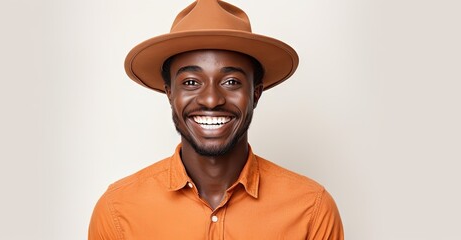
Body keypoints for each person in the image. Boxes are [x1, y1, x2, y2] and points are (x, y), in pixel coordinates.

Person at [88, 0, 344, 239]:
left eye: (231, 82)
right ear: (169, 94)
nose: (211, 99)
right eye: (190, 82)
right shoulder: (117, 211)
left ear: (255, 94)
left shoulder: (312, 210)